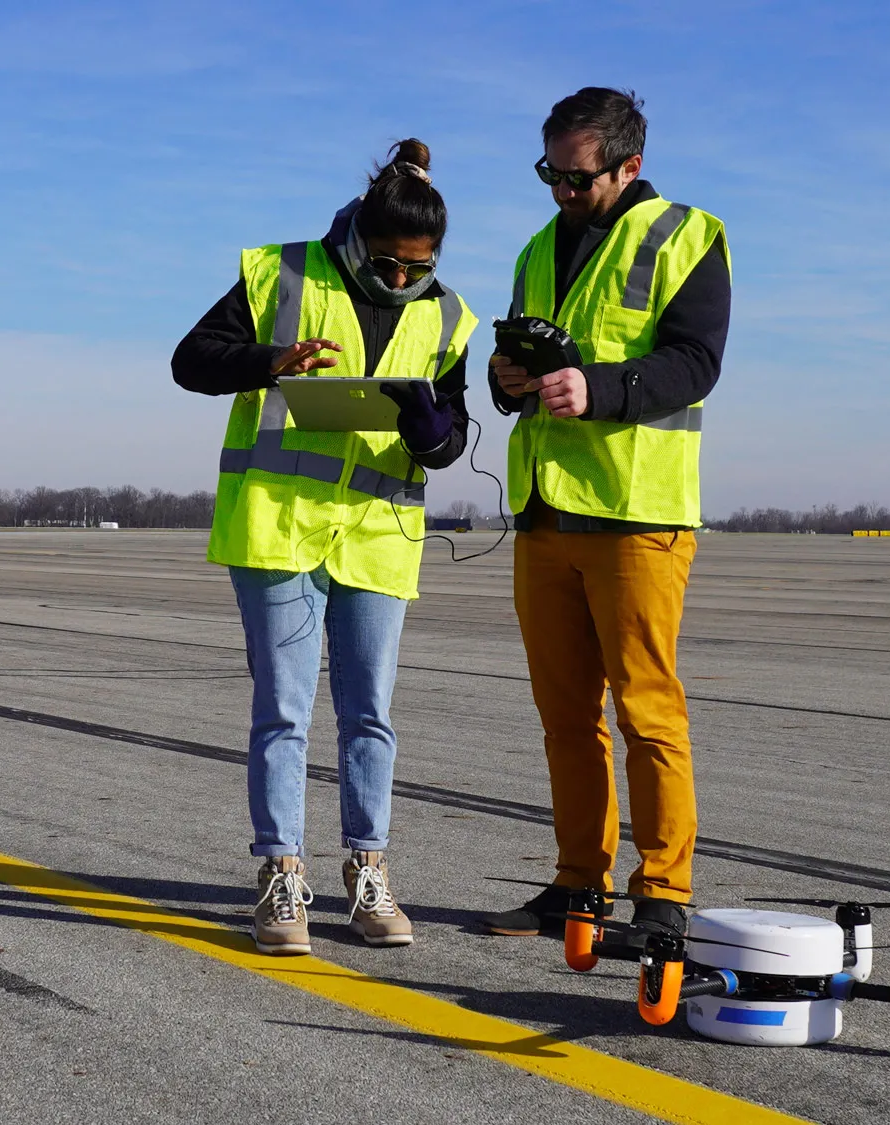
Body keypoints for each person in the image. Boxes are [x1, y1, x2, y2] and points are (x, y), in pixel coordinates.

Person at [172, 140, 478, 956]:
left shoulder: (448, 315)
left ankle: (367, 868)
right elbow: (190, 360)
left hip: (379, 537)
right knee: (284, 712)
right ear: (358, 237)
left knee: (369, 715)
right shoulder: (282, 274)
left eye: (420, 266)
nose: (404, 279)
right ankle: (280, 874)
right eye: (389, 263)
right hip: (279, 526)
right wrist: (271, 362)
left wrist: (435, 432)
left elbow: (453, 434)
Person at [478, 89, 731, 941]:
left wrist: (605, 388)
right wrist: (505, 382)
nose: (559, 191)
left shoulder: (687, 237)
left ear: (630, 166)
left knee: (647, 710)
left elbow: (695, 362)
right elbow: (514, 359)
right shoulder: (536, 248)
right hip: (545, 511)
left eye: (575, 178)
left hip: (636, 513)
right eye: (548, 172)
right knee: (564, 715)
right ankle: (576, 883)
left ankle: (663, 893)